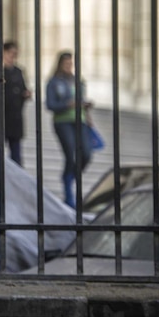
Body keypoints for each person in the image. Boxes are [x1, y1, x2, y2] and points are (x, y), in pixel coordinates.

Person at [45, 51, 95, 208]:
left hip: (80, 121)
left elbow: (81, 101)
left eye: (71, 63)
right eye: (66, 63)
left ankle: (69, 177)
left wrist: (86, 110)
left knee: (86, 154)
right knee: (71, 154)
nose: (69, 66)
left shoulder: (78, 81)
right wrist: (67, 104)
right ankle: (68, 191)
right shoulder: (54, 82)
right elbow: (50, 105)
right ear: (60, 64)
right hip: (63, 122)